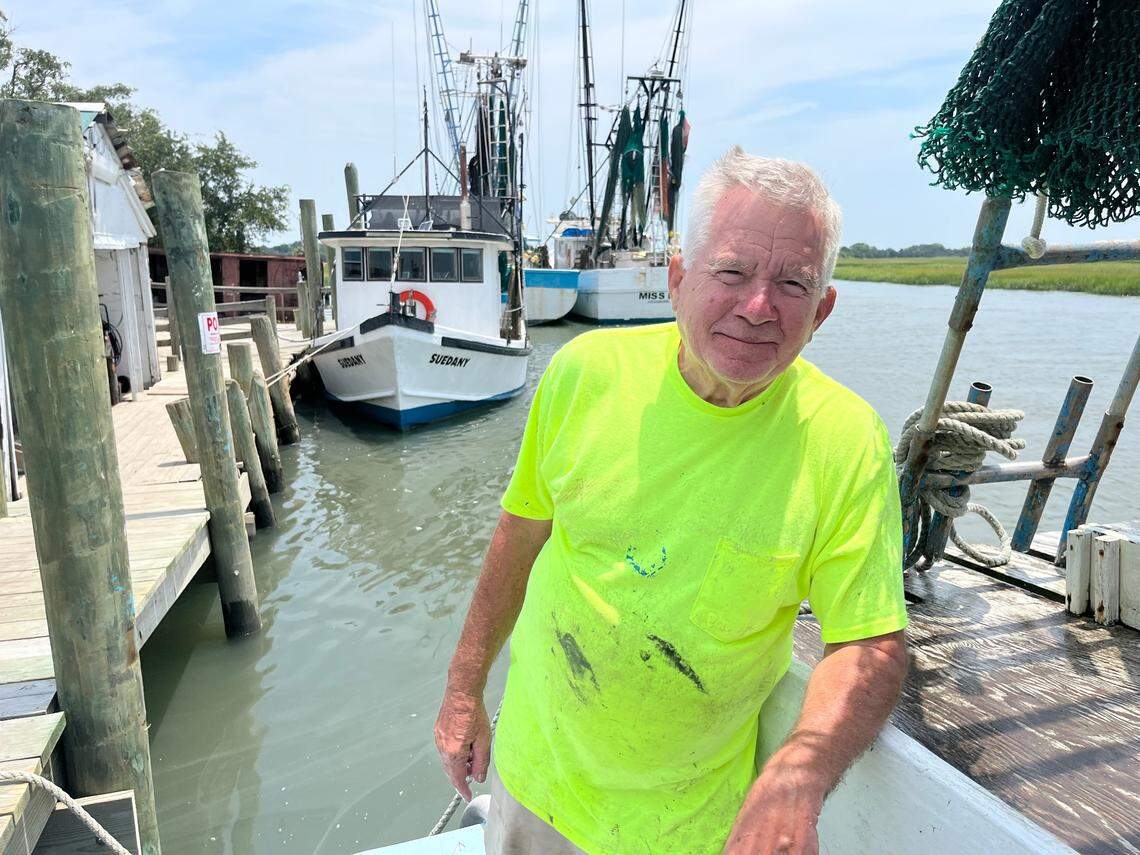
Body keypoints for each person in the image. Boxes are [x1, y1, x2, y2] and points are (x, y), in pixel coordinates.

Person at [435, 146, 909, 854]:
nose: (758, 306)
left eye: (792, 283)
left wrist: (798, 776)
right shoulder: (581, 375)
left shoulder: (846, 442)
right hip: (534, 782)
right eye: (732, 271)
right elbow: (519, 533)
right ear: (678, 277)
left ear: (823, 310)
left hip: (685, 827)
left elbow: (869, 639)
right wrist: (463, 688)